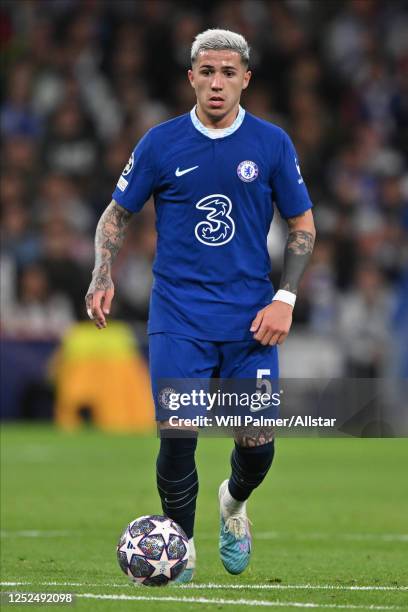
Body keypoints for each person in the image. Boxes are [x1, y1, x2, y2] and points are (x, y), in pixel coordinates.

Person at [86, 29, 316, 582]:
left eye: (228, 72)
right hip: (179, 317)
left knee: (258, 448)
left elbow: (302, 224)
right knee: (176, 437)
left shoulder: (272, 144)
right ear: (191, 77)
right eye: (207, 71)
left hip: (250, 318)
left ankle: (234, 505)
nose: (217, 82)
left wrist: (285, 297)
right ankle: (178, 547)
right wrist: (101, 272)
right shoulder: (161, 143)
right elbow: (117, 215)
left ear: (245, 80)